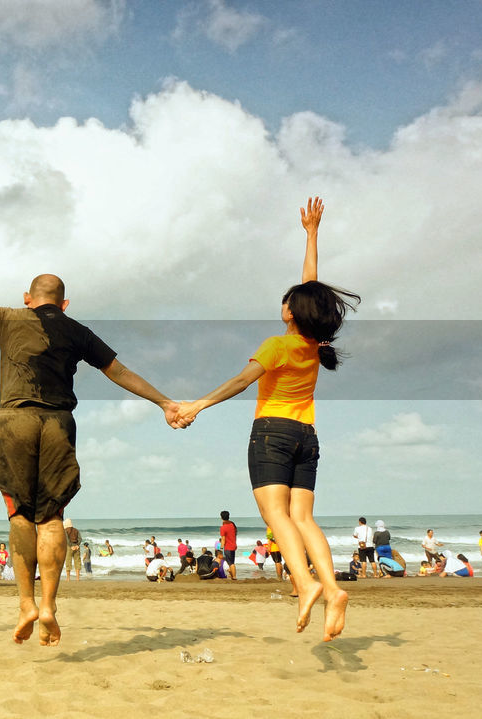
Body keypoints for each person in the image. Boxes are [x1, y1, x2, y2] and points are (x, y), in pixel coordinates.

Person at [0, 274, 182, 645]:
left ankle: (26, 604)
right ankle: (49, 605)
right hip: (58, 424)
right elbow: (118, 372)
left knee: (21, 516)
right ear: (65, 304)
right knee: (52, 517)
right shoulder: (77, 330)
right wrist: (165, 402)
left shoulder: (8, 318)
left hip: (15, 422)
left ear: (28, 298)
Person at [176, 198, 357, 642]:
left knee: (277, 518)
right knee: (304, 519)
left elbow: (241, 380)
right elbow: (312, 289)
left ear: (291, 313)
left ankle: (307, 585)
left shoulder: (278, 345)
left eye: (287, 302)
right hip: (307, 436)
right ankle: (332, 588)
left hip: (272, 434)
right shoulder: (313, 345)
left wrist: (197, 405)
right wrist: (311, 235)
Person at [219, 510, 238, 580]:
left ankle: (234, 576)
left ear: (221, 517)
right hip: (233, 546)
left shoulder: (223, 528)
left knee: (231, 563)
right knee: (230, 562)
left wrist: (221, 548)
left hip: (228, 547)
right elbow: (234, 535)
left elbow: (223, 539)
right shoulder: (232, 525)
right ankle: (231, 575)